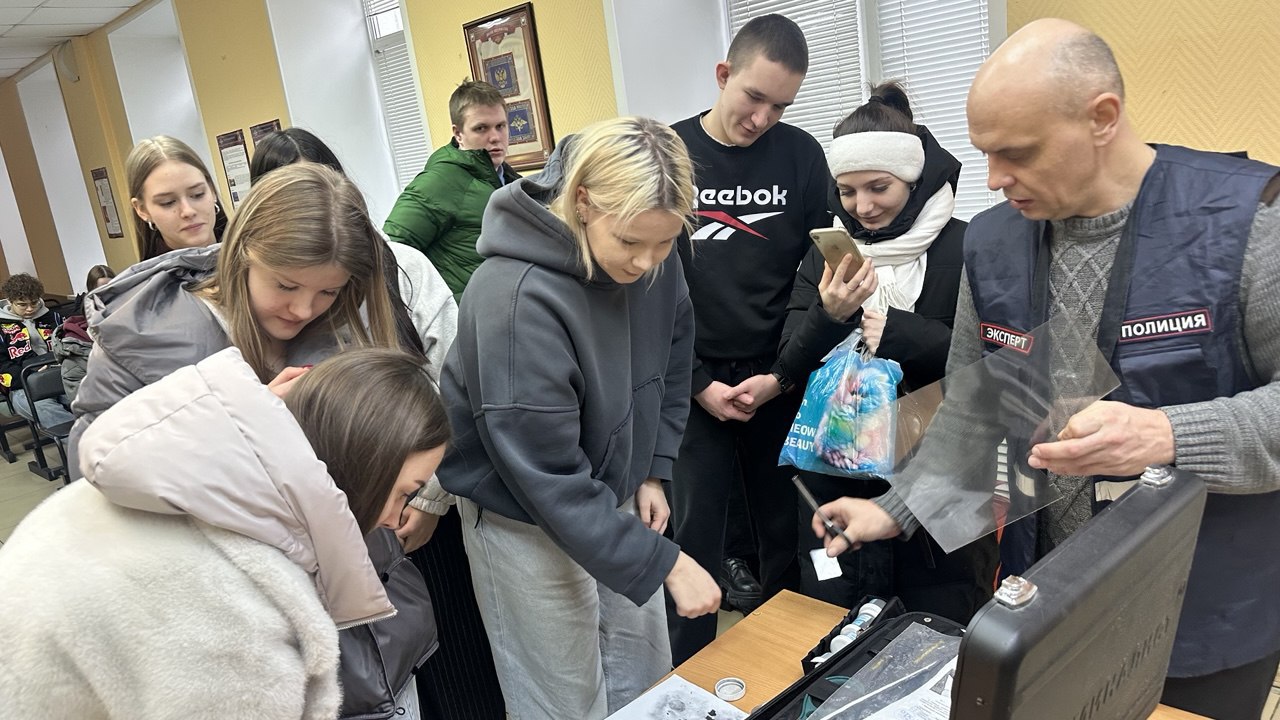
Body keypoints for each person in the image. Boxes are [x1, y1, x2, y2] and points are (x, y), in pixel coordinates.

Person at [815, 19, 1280, 720]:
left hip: (1204, 606)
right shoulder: (994, 242)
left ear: (1102, 117)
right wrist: (897, 508)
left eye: (1017, 153)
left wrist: (1168, 435)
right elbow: (976, 407)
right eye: (985, 154)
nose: (994, 179)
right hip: (1048, 600)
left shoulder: (1249, 222)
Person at [439, 116, 721, 718]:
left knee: (642, 676)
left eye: (665, 242)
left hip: (615, 491)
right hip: (524, 515)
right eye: (631, 242)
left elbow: (672, 362)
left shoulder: (653, 251)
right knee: (564, 699)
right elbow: (545, 474)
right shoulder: (513, 297)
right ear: (584, 202)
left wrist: (653, 468)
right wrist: (664, 562)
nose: (646, 262)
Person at [0, 346, 450, 719]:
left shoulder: (187, 468)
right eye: (403, 493)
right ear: (359, 465)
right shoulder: (230, 605)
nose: (394, 520)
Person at [250, 127, 505, 720]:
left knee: (457, 659)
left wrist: (430, 498)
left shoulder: (401, 267)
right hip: (337, 533)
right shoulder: (264, 300)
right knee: (378, 677)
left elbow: (457, 382)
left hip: (421, 511)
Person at [779, 82, 997, 621]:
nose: (863, 206)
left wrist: (901, 333)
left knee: (941, 624)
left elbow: (996, 370)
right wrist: (828, 316)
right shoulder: (825, 254)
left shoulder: (968, 247)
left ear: (914, 179)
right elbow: (790, 362)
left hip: (938, 480)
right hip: (835, 473)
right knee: (837, 626)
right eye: (847, 191)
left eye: (879, 187)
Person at [666, 13, 831, 664]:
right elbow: (646, 288)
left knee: (785, 531)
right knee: (694, 539)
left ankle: (786, 669)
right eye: (754, 97)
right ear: (723, 74)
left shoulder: (802, 157)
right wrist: (697, 383)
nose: (762, 118)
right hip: (691, 379)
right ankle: (686, 680)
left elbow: (815, 276)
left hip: (775, 376)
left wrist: (782, 375)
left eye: (780, 106)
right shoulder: (668, 155)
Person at [69, 162, 401, 475]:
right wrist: (243, 425)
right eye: (286, 286)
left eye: (328, 292)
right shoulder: (136, 339)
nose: (303, 310)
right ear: (241, 255)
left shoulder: (347, 319)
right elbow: (93, 468)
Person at [384, 80, 521, 299]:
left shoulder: (511, 181)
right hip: (463, 313)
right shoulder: (440, 181)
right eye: (481, 128)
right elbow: (390, 253)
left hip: (510, 306)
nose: (495, 137)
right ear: (458, 134)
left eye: (501, 126)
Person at [126, 135, 228, 261]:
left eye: (198, 194)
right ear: (142, 210)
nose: (188, 211)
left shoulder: (249, 255)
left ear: (212, 191)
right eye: (167, 202)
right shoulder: (151, 274)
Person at [0, 272, 71, 427]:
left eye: (34, 303)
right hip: (23, 384)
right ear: (10, 301)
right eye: (22, 305)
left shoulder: (53, 318)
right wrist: (31, 374)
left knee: (87, 396)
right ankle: (81, 438)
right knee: (43, 408)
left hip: (62, 374)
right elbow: (2, 366)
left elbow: (70, 344)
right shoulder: (1, 328)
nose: (30, 309)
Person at [52, 265, 116, 405]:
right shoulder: (74, 357)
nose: (108, 299)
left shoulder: (129, 334)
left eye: (112, 290)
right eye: (101, 292)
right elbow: (87, 406)